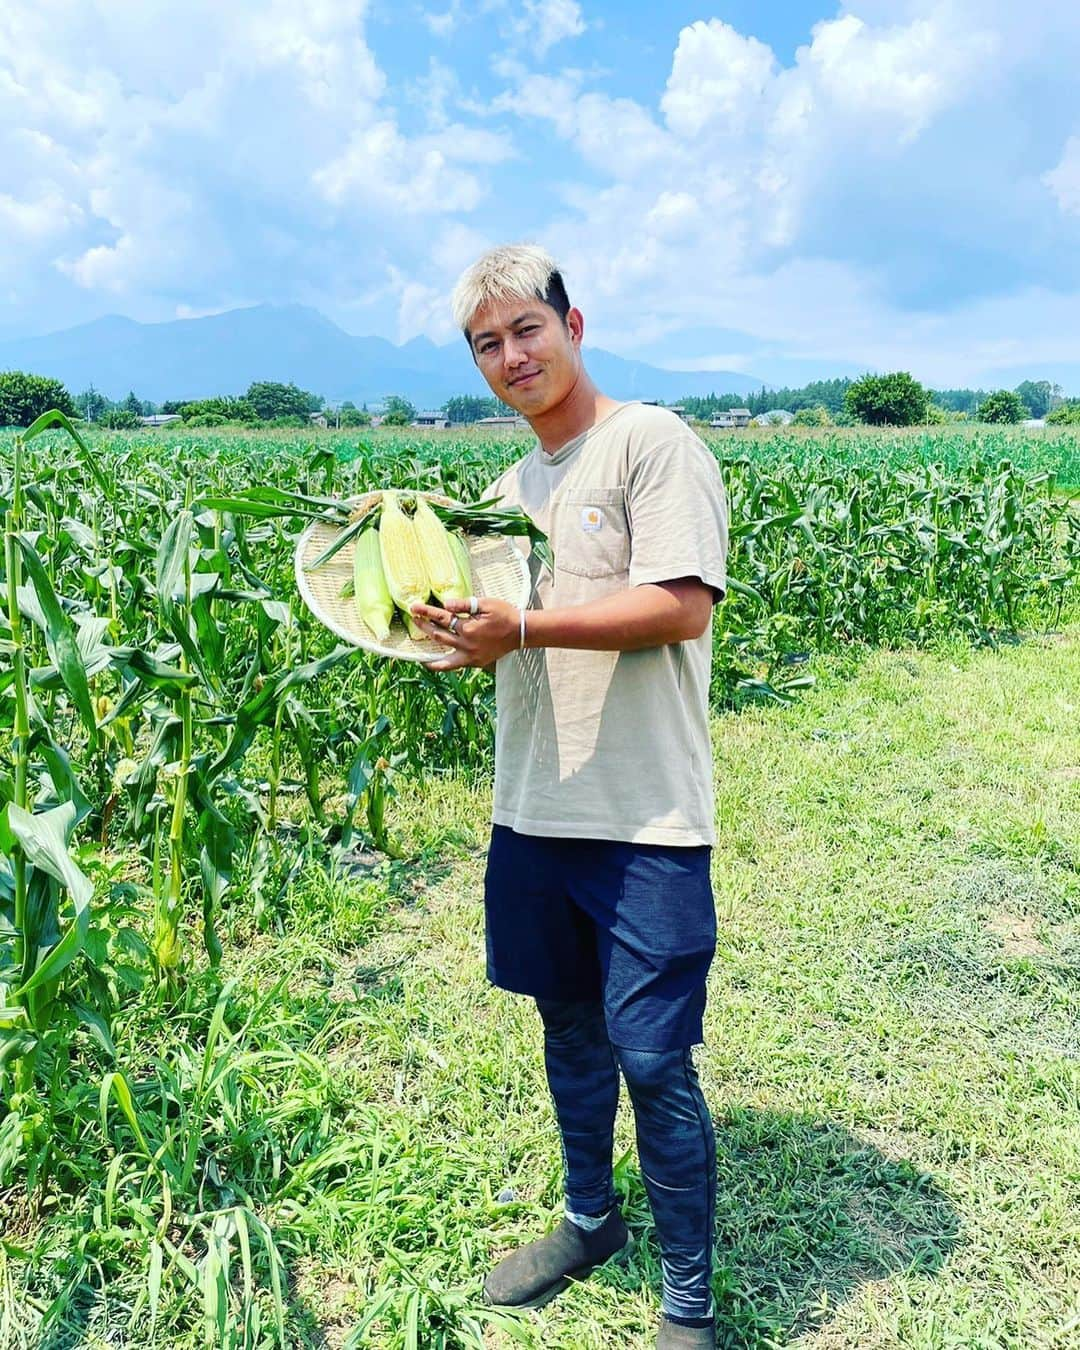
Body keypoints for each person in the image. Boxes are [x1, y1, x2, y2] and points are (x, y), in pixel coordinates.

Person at [410, 244, 728, 1349]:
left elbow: (682, 606)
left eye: (525, 330)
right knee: (569, 1029)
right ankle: (590, 1221)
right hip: (533, 810)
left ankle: (688, 1301)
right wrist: (453, 640)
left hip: (644, 818)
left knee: (653, 1056)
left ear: (573, 323)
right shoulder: (503, 495)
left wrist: (526, 626)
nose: (511, 357)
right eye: (486, 345)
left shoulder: (650, 443)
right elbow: (508, 646)